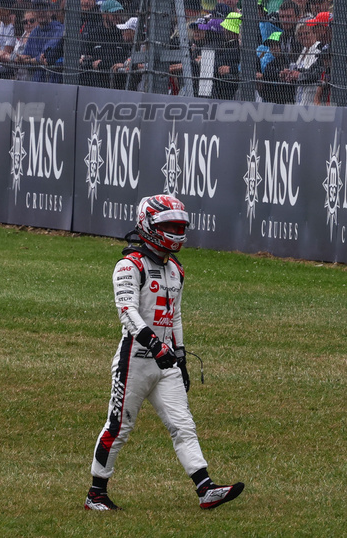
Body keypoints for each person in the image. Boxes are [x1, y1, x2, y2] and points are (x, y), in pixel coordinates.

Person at [86, 195, 243, 512]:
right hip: (134, 362)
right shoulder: (129, 266)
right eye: (169, 225)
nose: (176, 231)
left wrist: (180, 356)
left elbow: (176, 315)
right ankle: (96, 494)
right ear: (148, 225)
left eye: (179, 226)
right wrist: (155, 345)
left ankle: (206, 489)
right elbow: (127, 313)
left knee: (183, 425)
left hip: (166, 362)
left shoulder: (176, 270)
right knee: (118, 427)